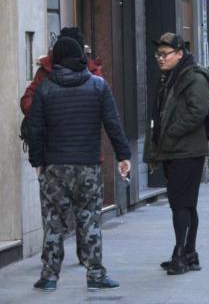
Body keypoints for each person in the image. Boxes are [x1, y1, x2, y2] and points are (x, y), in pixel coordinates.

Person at [27, 37, 130, 292]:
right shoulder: (98, 86)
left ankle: (49, 275)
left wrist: (38, 161)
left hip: (55, 166)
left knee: (53, 221)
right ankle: (95, 273)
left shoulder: (45, 89)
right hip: (88, 166)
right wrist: (123, 155)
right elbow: (113, 124)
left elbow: (35, 129)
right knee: (90, 219)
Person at [20, 27, 105, 267]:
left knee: (66, 213)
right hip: (65, 152)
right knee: (74, 211)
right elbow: (29, 103)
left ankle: (56, 269)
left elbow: (28, 103)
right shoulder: (48, 73)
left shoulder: (90, 74)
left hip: (75, 151)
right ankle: (85, 265)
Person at [143, 33, 209, 276]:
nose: (160, 59)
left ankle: (180, 255)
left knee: (181, 205)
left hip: (187, 151)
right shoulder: (169, 78)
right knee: (185, 205)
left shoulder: (193, 77)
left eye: (165, 54)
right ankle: (189, 254)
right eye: (158, 55)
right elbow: (158, 116)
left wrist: (171, 133)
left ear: (179, 54)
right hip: (175, 150)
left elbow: (198, 111)